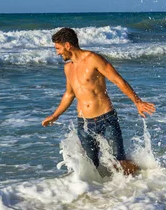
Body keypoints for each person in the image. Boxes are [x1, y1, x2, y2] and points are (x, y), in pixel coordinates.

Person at [42, 27, 156, 175]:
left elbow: (118, 80)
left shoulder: (93, 59)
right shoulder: (68, 68)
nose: (57, 52)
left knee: (119, 163)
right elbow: (69, 94)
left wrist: (137, 101)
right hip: (84, 124)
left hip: (106, 118)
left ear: (68, 45)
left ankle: (145, 175)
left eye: (58, 48)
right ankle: (98, 194)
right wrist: (55, 115)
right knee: (91, 167)